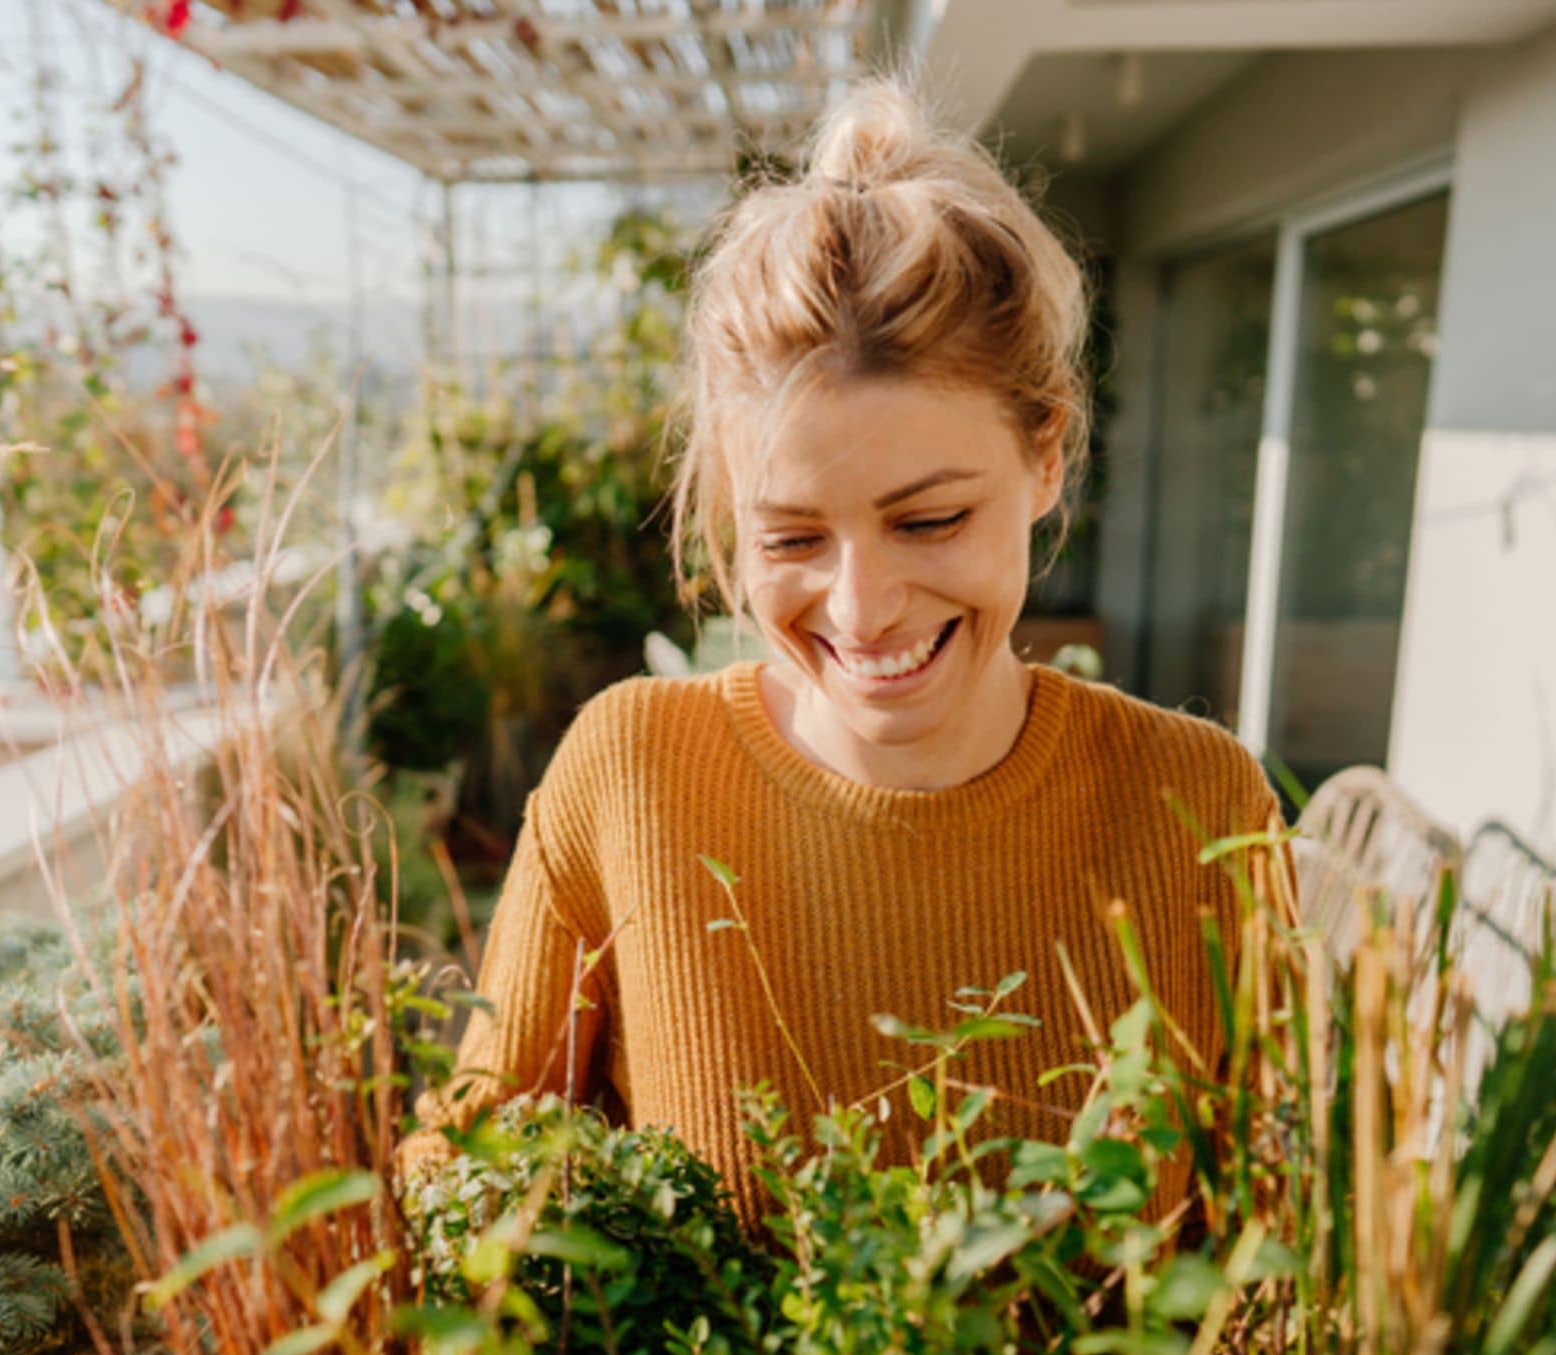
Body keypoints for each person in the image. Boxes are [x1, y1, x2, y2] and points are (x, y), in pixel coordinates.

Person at [399, 78, 1280, 1226]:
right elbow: (461, 1173)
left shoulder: (1198, 807)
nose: (861, 609)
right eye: (792, 538)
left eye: (928, 521)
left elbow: (1287, 1245)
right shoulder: (630, 774)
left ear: (1046, 456)